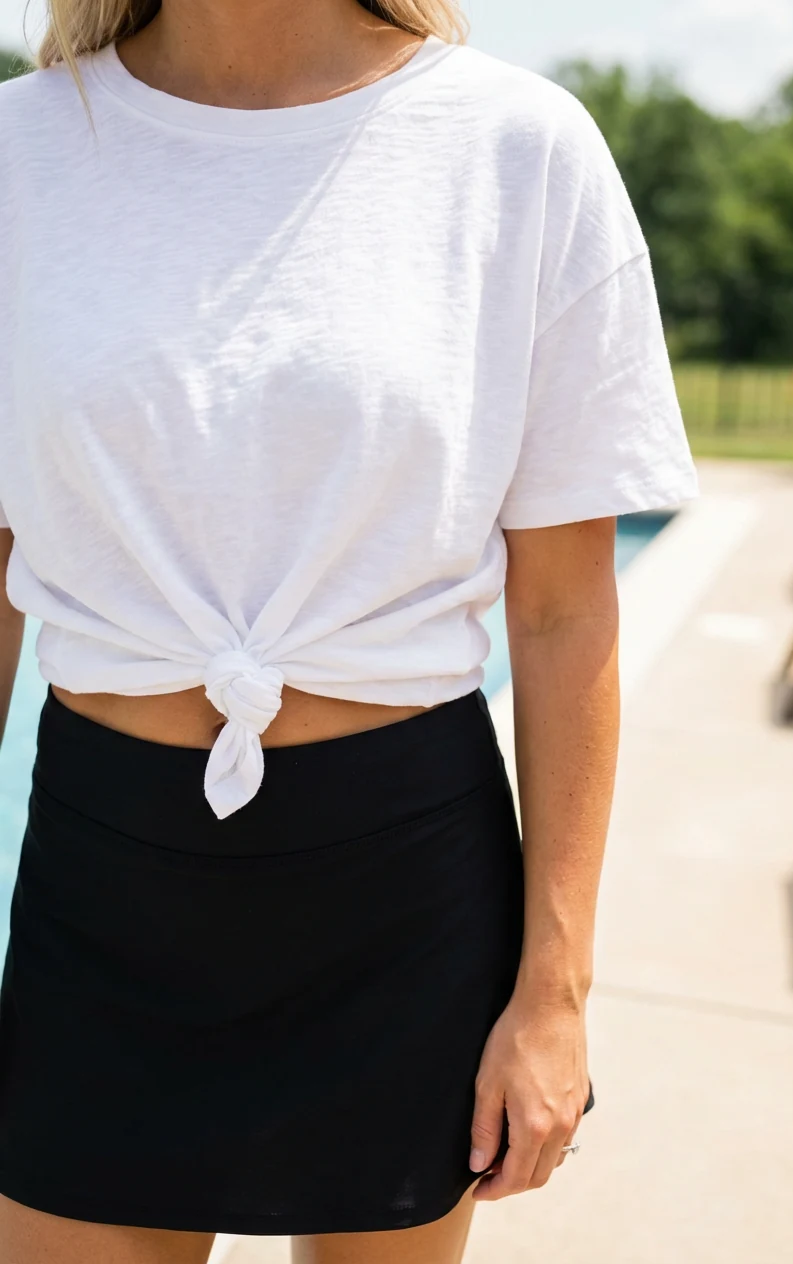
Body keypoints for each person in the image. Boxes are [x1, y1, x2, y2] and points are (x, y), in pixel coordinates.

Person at [0, 1, 699, 1261]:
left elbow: (558, 609)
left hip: (403, 892)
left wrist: (555, 994)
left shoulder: (516, 149)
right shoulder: (20, 153)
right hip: (100, 894)